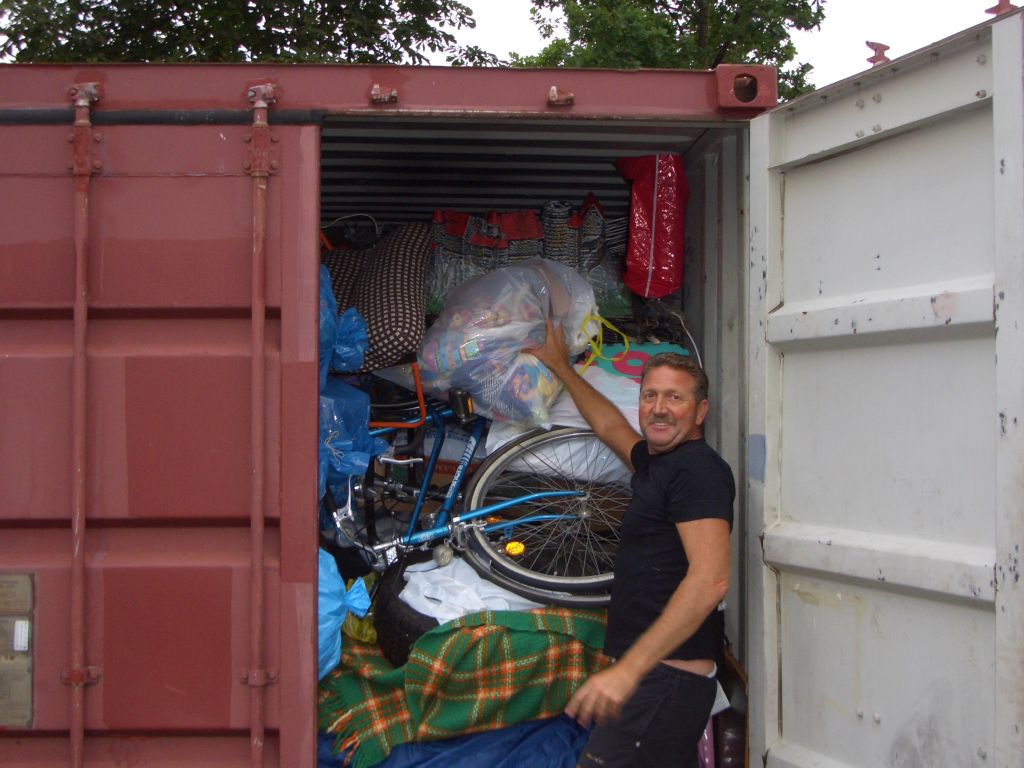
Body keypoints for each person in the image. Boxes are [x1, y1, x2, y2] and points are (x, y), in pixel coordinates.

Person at [525, 318, 735, 768]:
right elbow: (608, 425)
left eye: (674, 398)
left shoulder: (697, 471)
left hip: (662, 683)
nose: (659, 409)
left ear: (700, 412)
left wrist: (628, 672)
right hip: (659, 683)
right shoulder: (658, 465)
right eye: (649, 396)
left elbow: (711, 580)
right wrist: (562, 367)